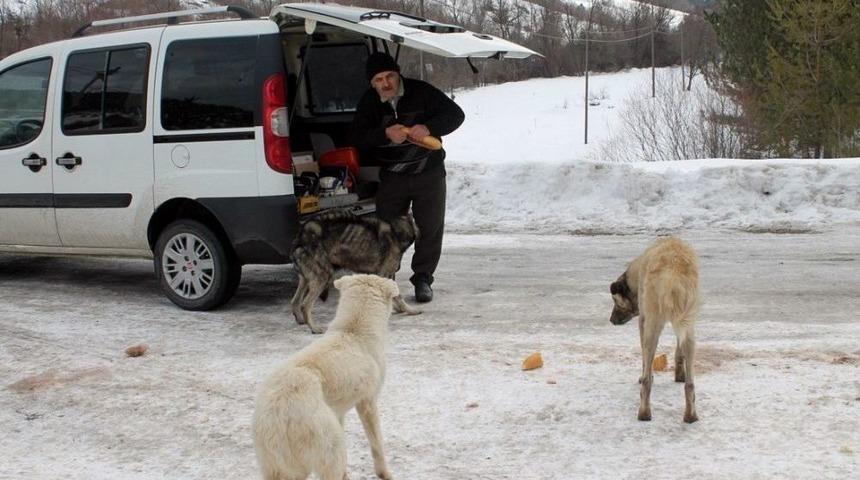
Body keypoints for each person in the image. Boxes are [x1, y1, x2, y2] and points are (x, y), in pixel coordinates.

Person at [349, 52, 465, 303]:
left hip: (429, 173)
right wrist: (384, 134)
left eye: (389, 76)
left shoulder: (421, 91)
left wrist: (430, 128)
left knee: (429, 228)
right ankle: (386, 279)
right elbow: (358, 138)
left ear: (398, 73)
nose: (386, 83)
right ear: (372, 83)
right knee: (387, 228)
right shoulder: (369, 102)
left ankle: (423, 279)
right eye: (379, 79)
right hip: (393, 176)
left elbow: (456, 115)